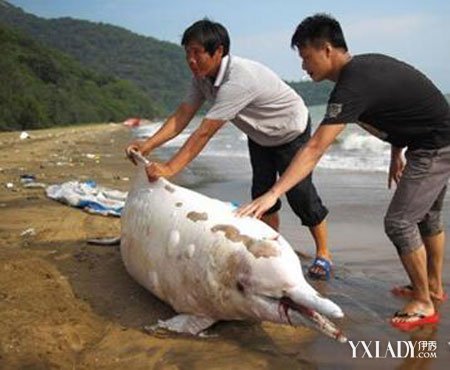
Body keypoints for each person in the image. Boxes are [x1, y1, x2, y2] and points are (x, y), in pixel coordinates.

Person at [237, 13, 450, 330]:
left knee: (399, 221)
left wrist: (273, 193)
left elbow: (313, 149)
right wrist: (397, 151)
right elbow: (402, 108)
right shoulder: (363, 73)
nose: (303, 66)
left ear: (326, 49)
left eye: (306, 57)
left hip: (436, 145)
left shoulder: (353, 84)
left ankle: (423, 301)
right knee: (427, 218)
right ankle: (432, 287)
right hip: (433, 139)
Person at [125, 19, 333, 279]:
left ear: (218, 51)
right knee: (261, 193)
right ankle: (275, 246)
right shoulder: (201, 78)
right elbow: (182, 115)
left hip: (291, 130)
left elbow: (205, 131)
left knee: (301, 196)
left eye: (197, 52)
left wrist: (170, 168)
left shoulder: (238, 79)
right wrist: (147, 145)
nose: (191, 59)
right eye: (187, 53)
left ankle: (324, 254)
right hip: (259, 135)